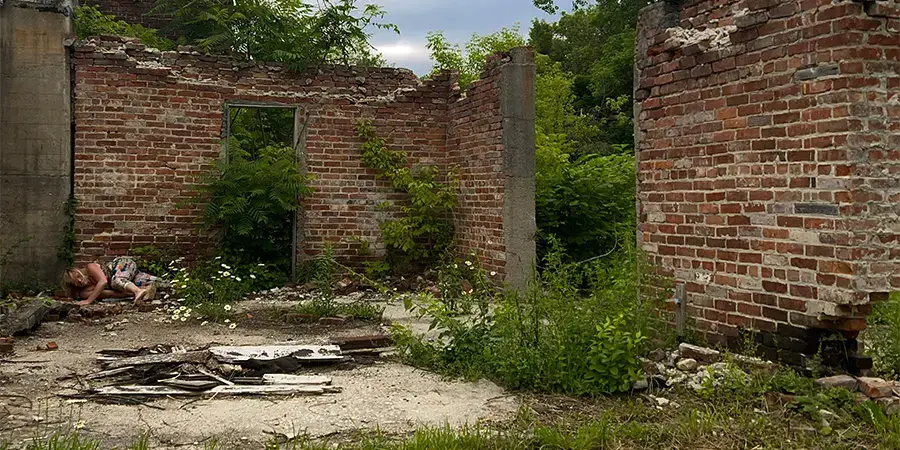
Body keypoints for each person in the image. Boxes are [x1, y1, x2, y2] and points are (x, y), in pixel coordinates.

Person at [62, 256, 162, 306]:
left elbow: (103, 281)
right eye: (76, 281)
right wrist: (130, 294)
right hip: (127, 280)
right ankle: (140, 290)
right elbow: (111, 294)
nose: (80, 280)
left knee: (116, 281)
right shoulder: (85, 293)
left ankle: (137, 290)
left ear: (80, 271)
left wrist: (88, 301)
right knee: (159, 283)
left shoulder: (90, 267)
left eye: (78, 276)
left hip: (123, 265)